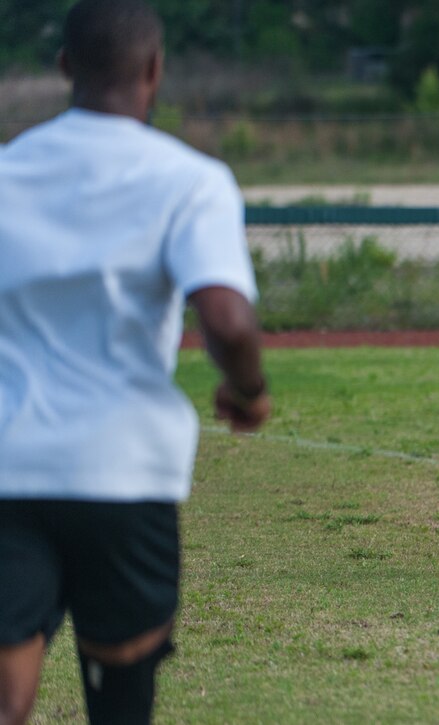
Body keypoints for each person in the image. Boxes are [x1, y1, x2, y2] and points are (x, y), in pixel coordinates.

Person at [0, 1, 271, 723]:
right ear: (154, 70)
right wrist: (248, 391)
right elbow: (227, 318)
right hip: (123, 473)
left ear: (64, 68)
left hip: (8, 468)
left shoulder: (7, 171)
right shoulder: (191, 180)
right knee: (120, 701)